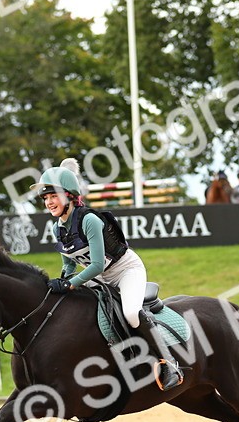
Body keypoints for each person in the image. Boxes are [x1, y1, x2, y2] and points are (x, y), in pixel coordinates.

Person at [35, 158, 182, 391]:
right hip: (100, 276)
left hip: (125, 271)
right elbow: (70, 264)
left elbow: (96, 266)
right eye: (46, 198)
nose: (49, 202)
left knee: (132, 314)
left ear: (69, 196)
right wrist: (63, 280)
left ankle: (169, 363)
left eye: (54, 196)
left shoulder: (90, 220)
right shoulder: (58, 228)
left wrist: (71, 284)